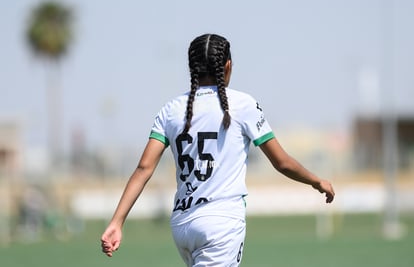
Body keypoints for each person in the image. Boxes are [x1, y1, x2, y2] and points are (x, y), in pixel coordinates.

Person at [101, 33, 335, 266]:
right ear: (228, 66)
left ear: (192, 69)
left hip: (182, 225)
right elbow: (282, 162)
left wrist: (117, 222)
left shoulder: (170, 109)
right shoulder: (243, 105)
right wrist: (316, 181)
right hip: (220, 224)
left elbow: (144, 168)